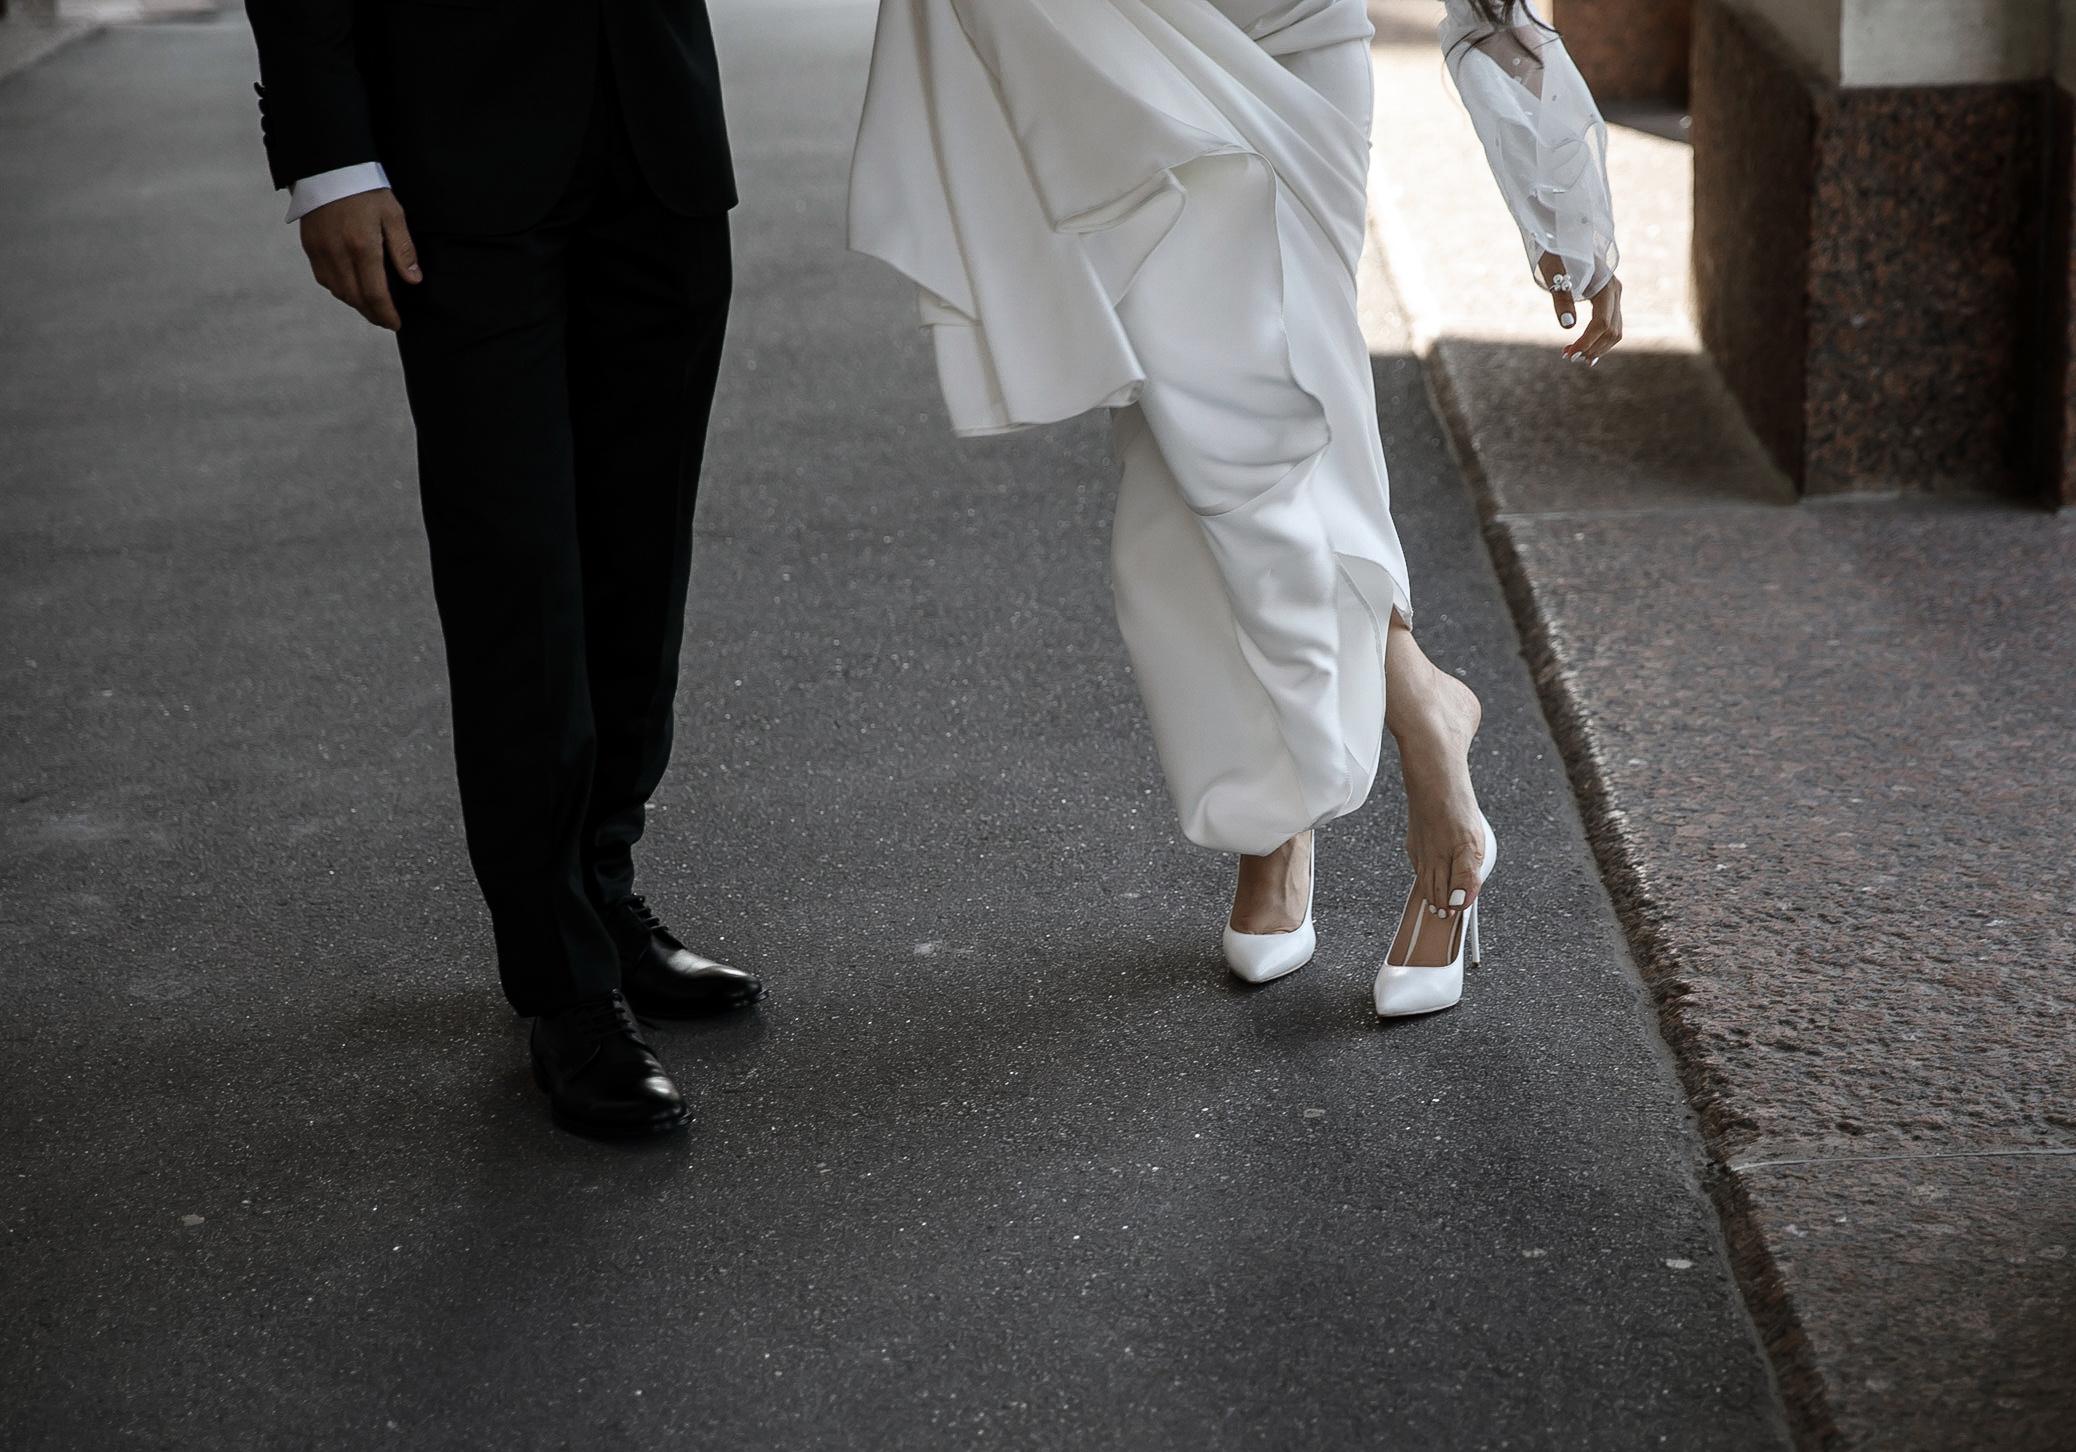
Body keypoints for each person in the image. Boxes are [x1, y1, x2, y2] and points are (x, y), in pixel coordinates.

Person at [850, 0, 1622, 1017]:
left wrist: (1567, 202)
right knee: (1180, 441)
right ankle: (1339, 769)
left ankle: (1367, 767)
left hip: (1295, 40)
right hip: (1112, 47)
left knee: (1267, 419)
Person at [242, 0, 766, 1139]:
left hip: (659, 137)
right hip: (455, 152)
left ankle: (605, 895)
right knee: (515, 571)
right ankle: (563, 982)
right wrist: (327, 156)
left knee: (640, 555)